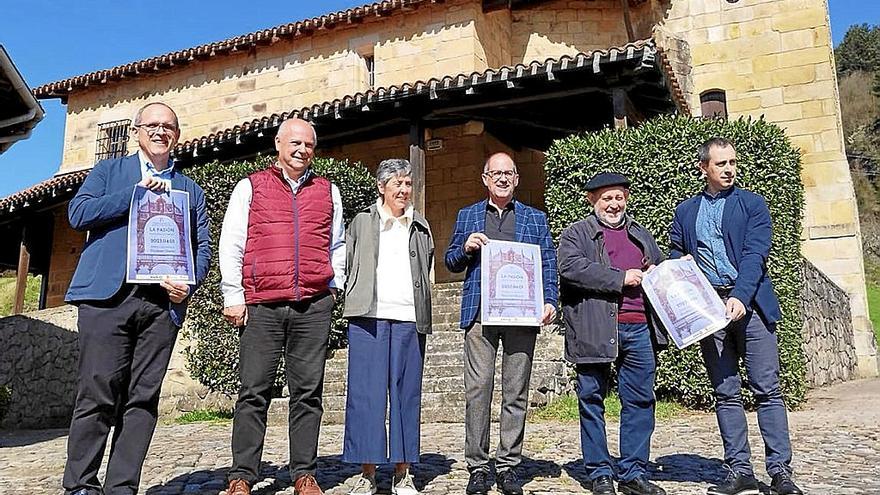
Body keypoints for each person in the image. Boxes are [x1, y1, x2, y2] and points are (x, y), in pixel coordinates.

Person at [62, 102, 211, 495]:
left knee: (143, 399)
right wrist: (133, 195)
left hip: (161, 305)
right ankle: (80, 485)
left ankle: (121, 487)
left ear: (177, 135)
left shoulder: (190, 190)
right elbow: (78, 214)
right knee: (96, 393)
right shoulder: (109, 172)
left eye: (170, 126)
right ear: (136, 131)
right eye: (153, 125)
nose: (161, 131)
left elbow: (203, 247)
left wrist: (188, 285)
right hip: (106, 298)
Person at [669, 137, 803, 495]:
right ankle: (738, 469)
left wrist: (741, 297)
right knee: (725, 391)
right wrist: (676, 268)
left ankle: (780, 472)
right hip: (708, 309)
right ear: (704, 168)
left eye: (732, 163)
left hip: (751, 305)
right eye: (721, 164)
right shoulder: (685, 211)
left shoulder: (752, 205)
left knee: (768, 390)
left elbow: (755, 255)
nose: (729, 169)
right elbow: (677, 253)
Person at [219, 118, 345, 495]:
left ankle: (304, 473)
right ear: (278, 143)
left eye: (308, 144)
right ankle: (242, 475)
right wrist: (233, 294)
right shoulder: (250, 187)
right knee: (253, 391)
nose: (301, 149)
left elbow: (337, 244)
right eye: (294, 142)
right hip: (262, 304)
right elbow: (233, 242)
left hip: (313, 303)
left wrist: (333, 284)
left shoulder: (328, 191)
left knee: (307, 393)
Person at [444, 152, 558, 495]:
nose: (503, 178)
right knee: (477, 390)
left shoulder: (535, 218)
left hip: (522, 316)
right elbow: (450, 261)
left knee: (516, 392)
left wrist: (550, 300)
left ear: (517, 179)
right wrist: (465, 247)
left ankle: (508, 465)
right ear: (485, 178)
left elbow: (548, 262)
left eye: (508, 173)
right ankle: (477, 466)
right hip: (481, 314)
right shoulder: (468, 216)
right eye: (496, 173)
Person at [557, 173, 667, 495]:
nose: (614, 204)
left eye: (619, 197)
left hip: (639, 329)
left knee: (641, 400)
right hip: (595, 327)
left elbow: (658, 270)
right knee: (591, 399)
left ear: (626, 199)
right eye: (606, 198)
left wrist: (670, 270)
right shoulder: (576, 234)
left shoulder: (640, 234)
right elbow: (571, 267)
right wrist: (621, 278)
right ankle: (600, 472)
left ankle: (633, 472)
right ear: (593, 200)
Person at [341, 158, 434, 495]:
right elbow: (348, 260)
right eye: (397, 183)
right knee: (366, 395)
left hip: (409, 318)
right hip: (369, 316)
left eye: (408, 184)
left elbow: (428, 266)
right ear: (381, 187)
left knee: (405, 394)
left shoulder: (420, 225)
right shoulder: (363, 222)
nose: (404, 190)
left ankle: (403, 471)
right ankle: (367, 472)